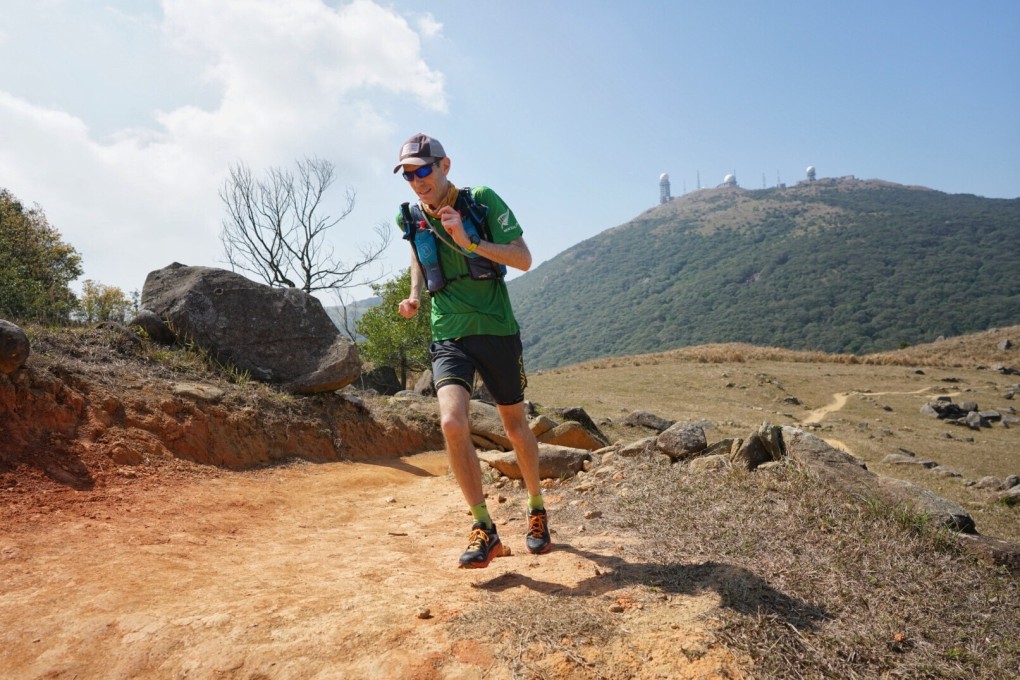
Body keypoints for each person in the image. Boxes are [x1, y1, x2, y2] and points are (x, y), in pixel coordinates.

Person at [393, 132, 550, 569]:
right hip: (447, 331)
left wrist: (470, 242)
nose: (417, 180)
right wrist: (414, 295)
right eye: (408, 174)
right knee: (451, 421)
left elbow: (523, 259)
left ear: (445, 166)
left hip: (496, 329)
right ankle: (485, 527)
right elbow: (419, 256)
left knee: (516, 428)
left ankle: (536, 509)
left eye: (423, 169)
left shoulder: (481, 201)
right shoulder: (410, 215)